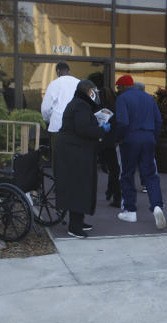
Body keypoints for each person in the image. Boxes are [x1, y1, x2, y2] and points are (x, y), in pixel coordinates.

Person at [54, 80, 110, 238]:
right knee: (79, 187)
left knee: (79, 187)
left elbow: (82, 125)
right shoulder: (81, 105)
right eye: (94, 91)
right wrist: (101, 130)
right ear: (88, 91)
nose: (96, 94)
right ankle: (74, 226)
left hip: (74, 151)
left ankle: (79, 221)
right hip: (75, 153)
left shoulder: (78, 103)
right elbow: (83, 129)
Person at [114, 74, 166, 229]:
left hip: (130, 139)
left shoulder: (122, 99)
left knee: (127, 173)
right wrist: (153, 137)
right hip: (148, 138)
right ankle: (157, 206)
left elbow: (122, 122)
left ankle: (130, 210)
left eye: (118, 87)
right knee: (150, 175)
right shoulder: (149, 98)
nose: (118, 90)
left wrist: (117, 138)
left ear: (123, 86)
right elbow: (158, 121)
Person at [88, 71, 122, 209]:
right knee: (114, 168)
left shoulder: (94, 97)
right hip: (111, 137)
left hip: (98, 136)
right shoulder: (112, 94)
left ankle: (90, 196)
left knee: (91, 167)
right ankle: (115, 195)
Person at [40, 62, 80, 163]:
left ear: (57, 72)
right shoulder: (79, 83)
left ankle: (59, 178)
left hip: (58, 126)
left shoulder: (54, 84)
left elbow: (46, 108)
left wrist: (49, 119)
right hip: (77, 126)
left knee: (58, 158)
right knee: (75, 157)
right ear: (69, 71)